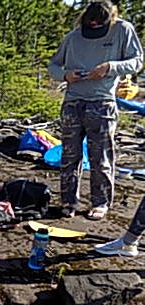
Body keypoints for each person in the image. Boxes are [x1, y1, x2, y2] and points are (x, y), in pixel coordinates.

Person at [48, 0, 143, 221]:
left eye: (98, 24)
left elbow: (137, 61)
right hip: (73, 102)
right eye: (89, 24)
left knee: (101, 157)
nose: (93, 26)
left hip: (102, 103)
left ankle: (100, 203)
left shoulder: (122, 29)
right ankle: (68, 201)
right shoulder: (73, 36)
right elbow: (53, 65)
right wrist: (65, 75)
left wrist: (110, 67)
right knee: (70, 156)